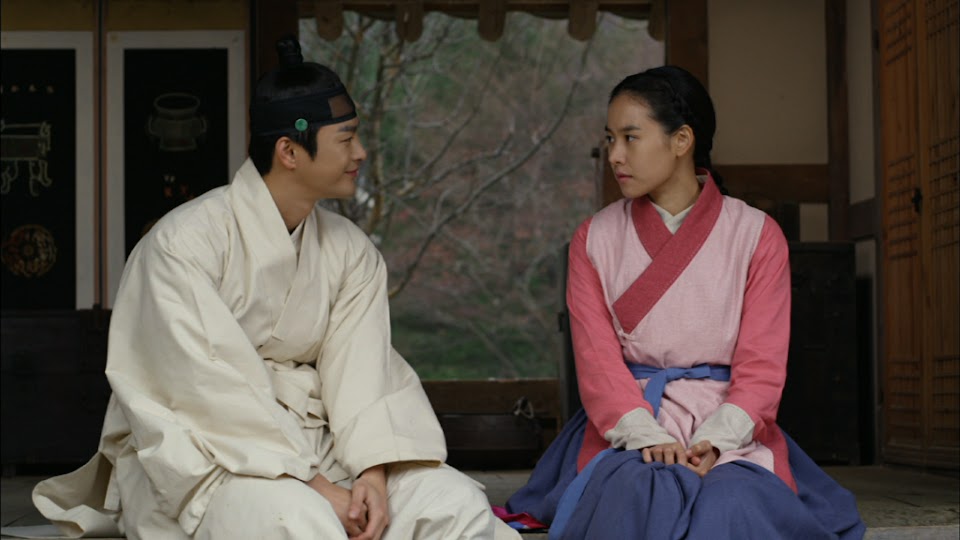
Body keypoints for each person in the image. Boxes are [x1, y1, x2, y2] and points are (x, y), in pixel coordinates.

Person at [26, 37, 521, 540]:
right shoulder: (183, 244)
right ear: (289, 151)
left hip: (329, 447)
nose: (361, 153)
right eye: (346, 139)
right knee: (296, 519)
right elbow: (203, 391)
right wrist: (317, 487)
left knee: (454, 504)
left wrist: (372, 473)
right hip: (207, 455)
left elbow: (364, 373)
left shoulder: (351, 251)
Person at [501, 66, 866, 539]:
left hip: (729, 422)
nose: (614, 155)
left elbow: (762, 365)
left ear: (682, 140)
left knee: (733, 502)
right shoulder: (593, 239)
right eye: (610, 139)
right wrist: (646, 435)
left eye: (630, 137)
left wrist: (716, 440)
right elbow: (597, 364)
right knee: (639, 491)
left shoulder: (756, 235)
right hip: (631, 416)